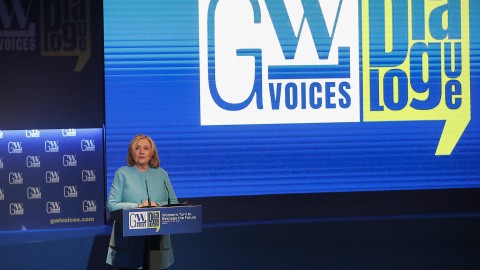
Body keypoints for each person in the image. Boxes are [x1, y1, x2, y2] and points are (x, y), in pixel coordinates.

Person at [106, 134, 179, 269]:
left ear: (152, 153)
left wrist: (157, 205)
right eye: (137, 148)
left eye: (146, 148)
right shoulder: (122, 173)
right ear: (131, 152)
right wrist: (138, 206)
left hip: (156, 238)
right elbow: (112, 204)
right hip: (130, 240)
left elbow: (173, 202)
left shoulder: (161, 173)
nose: (141, 152)